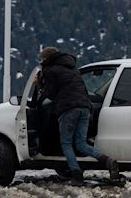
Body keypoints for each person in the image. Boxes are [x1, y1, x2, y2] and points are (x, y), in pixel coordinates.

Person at [37, 47, 119, 185]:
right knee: (81, 143)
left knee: (66, 143)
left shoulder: (50, 71)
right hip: (85, 107)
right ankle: (107, 161)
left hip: (68, 108)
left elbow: (50, 94)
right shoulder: (72, 68)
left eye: (42, 59)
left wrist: (39, 84)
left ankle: (76, 175)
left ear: (46, 59)